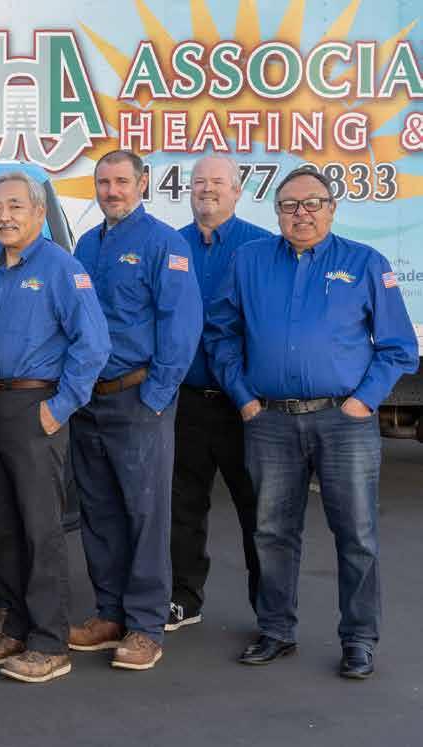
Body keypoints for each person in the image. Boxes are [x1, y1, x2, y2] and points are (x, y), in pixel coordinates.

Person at [206, 165, 417, 680]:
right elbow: (220, 333)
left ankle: (359, 639)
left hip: (344, 422)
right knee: (272, 532)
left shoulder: (365, 263)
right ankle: (276, 630)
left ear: (332, 208)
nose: (301, 213)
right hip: (270, 421)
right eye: (289, 205)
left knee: (357, 535)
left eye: (312, 203)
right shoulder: (249, 261)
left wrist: (363, 402)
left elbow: (398, 347)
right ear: (276, 212)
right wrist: (244, 398)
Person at [0, 172, 110, 684]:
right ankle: (14, 627)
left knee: (40, 528)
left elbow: (93, 345)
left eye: (15, 207)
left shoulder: (62, 267)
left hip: (34, 407)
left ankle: (50, 642)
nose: (4, 216)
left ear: (39, 213)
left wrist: (60, 407)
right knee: (0, 525)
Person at [68, 150, 202, 672]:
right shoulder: (87, 244)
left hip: (138, 397)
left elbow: (181, 326)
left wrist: (156, 397)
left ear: (142, 184)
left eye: (122, 181)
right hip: (89, 399)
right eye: (104, 182)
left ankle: (145, 625)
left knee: (145, 514)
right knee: (99, 512)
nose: (112, 191)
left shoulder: (164, 244)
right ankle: (109, 614)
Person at [168, 155, 272, 632]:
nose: (206, 189)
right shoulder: (173, 246)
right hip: (186, 400)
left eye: (217, 182)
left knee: (258, 510)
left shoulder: (262, 247)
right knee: (182, 506)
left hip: (245, 405)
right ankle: (183, 599)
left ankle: (270, 612)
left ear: (236, 191)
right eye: (199, 182)